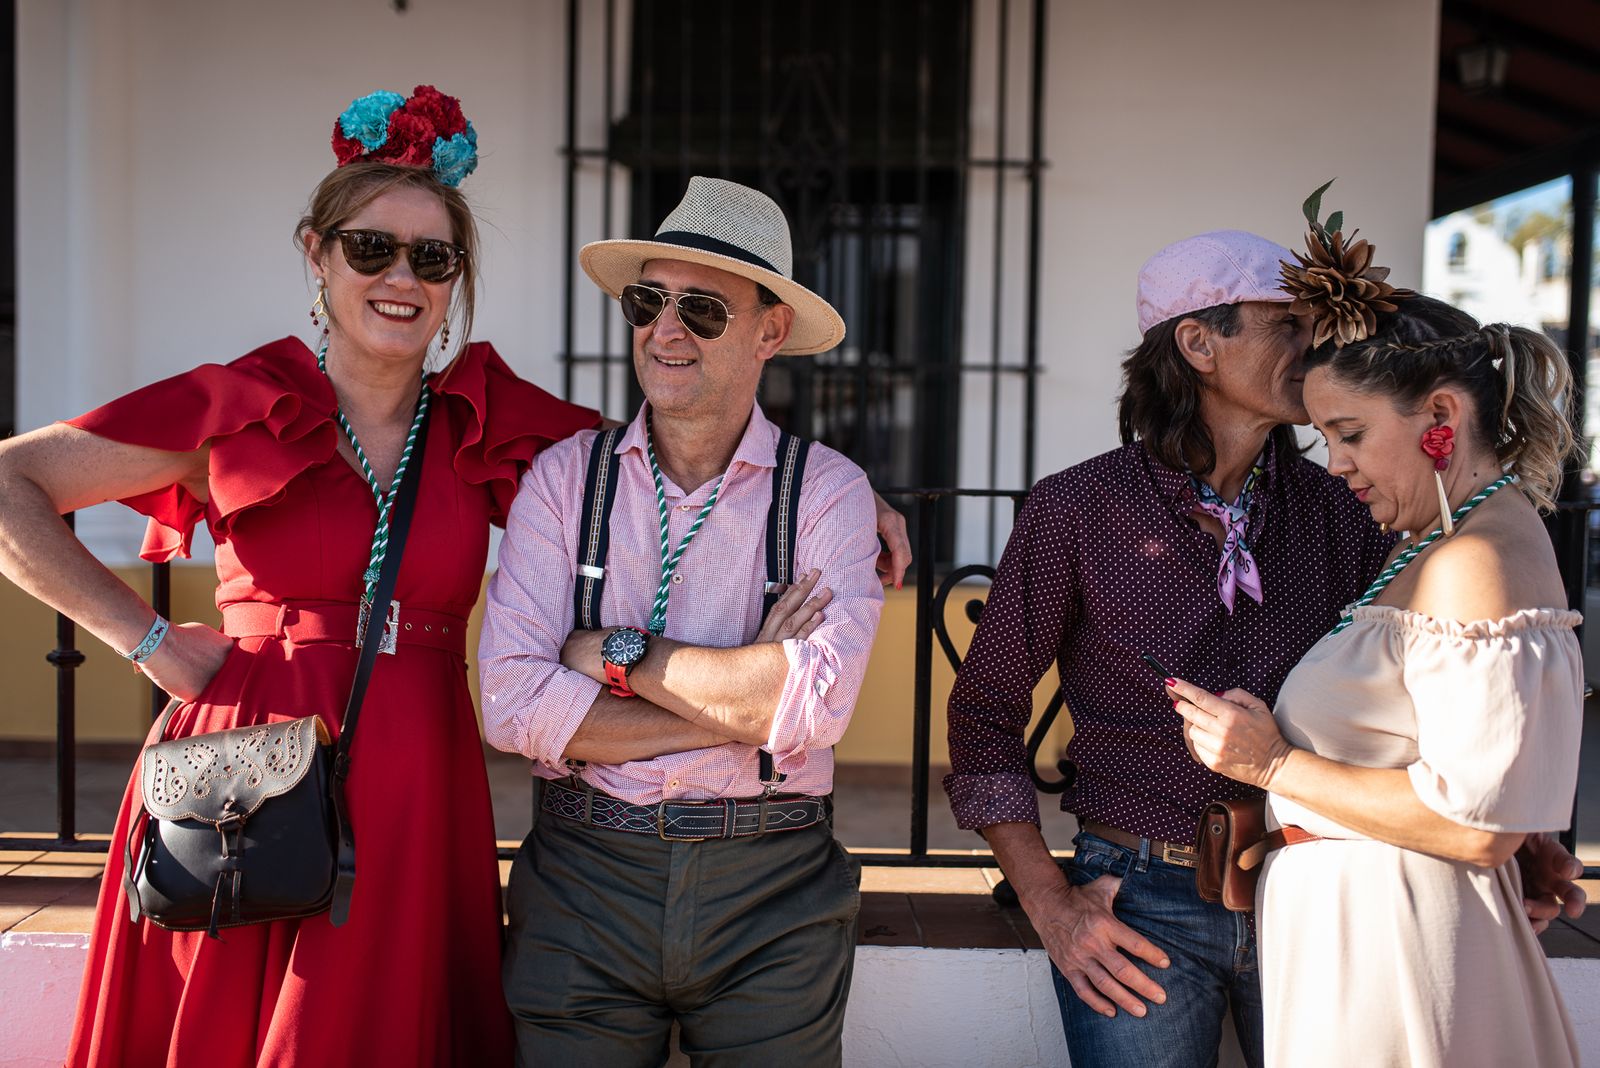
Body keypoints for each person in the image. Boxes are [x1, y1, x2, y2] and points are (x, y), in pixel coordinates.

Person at [0, 93, 911, 1066]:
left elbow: (680, 433)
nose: (402, 278)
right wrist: (145, 638)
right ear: (318, 252)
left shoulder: (486, 413)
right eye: (371, 249)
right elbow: (13, 481)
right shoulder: (240, 402)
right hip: (251, 759)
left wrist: (862, 504)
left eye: (431, 258)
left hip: (413, 771)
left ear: (455, 278)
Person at [943, 227, 1588, 1068]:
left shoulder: (1356, 505)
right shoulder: (1077, 510)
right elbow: (985, 711)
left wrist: (1515, 827)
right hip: (1139, 901)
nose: (1313, 339)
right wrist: (1049, 901)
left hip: (1323, 895)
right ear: (1199, 343)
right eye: (1284, 321)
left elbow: (1420, 688)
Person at [480, 176, 883, 1067]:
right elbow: (511, 705)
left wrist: (609, 656)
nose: (666, 329)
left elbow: (815, 711)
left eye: (701, 307)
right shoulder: (563, 480)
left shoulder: (826, 491)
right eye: (648, 300)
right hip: (583, 876)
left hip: (772, 888)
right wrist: (747, 690)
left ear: (769, 332)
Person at [1170, 284, 1584, 1066]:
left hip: (1398, 944)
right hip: (1367, 930)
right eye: (1326, 436)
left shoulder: (1474, 560)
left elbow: (1474, 825)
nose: (1338, 464)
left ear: (1440, 417)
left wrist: (1274, 764)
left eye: (1351, 433)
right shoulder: (1433, 542)